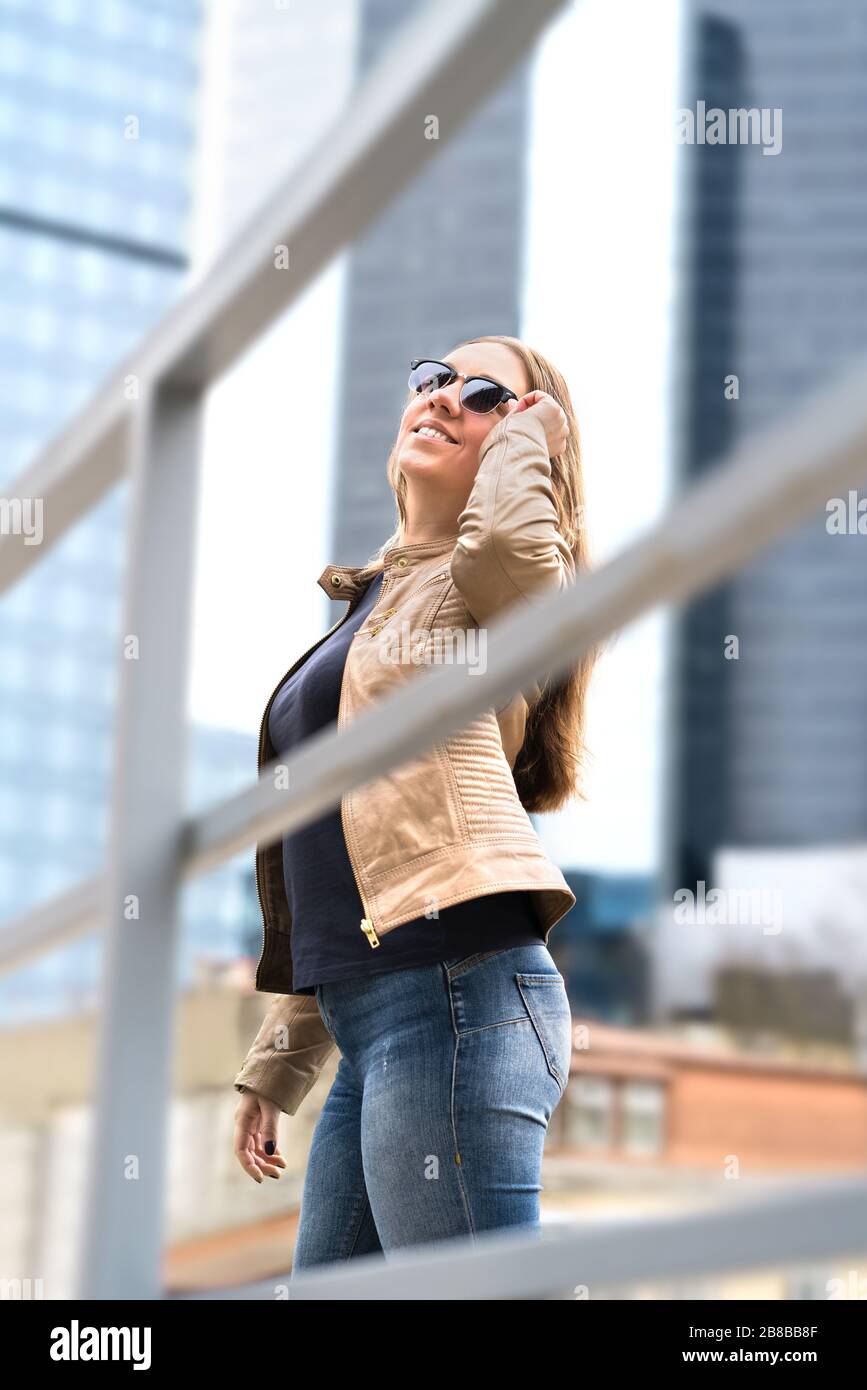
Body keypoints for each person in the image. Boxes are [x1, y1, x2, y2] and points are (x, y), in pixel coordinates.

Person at [232, 335, 598, 1269]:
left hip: (458, 997)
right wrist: (279, 1064)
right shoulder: (370, 607)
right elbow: (361, 864)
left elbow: (517, 546)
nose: (441, 398)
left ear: (524, 440)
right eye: (433, 379)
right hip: (375, 1023)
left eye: (482, 396)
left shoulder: (493, 588)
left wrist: (534, 441)